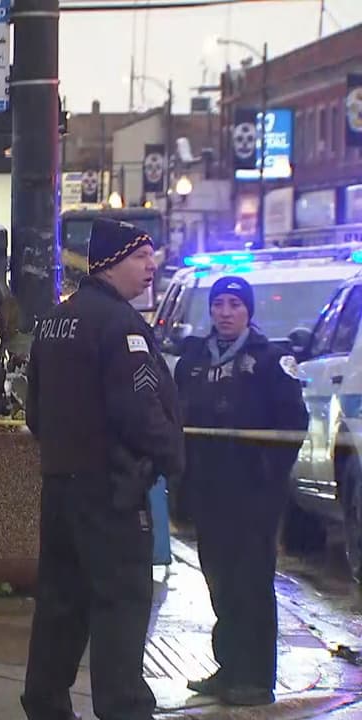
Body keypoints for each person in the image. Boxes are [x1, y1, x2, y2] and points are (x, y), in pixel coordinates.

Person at [22, 218, 185, 720]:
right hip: (112, 490)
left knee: (60, 601)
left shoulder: (55, 321)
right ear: (111, 263)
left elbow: (35, 410)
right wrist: (172, 458)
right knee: (122, 602)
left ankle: (45, 702)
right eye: (140, 256)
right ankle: (123, 707)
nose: (151, 266)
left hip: (60, 486)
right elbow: (139, 409)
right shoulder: (121, 325)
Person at [173, 276, 309, 707]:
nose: (225, 312)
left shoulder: (271, 359)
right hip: (208, 491)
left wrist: (267, 474)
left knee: (251, 582)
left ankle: (255, 677)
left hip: (253, 495)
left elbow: (293, 424)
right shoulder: (194, 359)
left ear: (248, 310)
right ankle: (229, 667)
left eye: (234, 304)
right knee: (220, 581)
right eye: (219, 304)